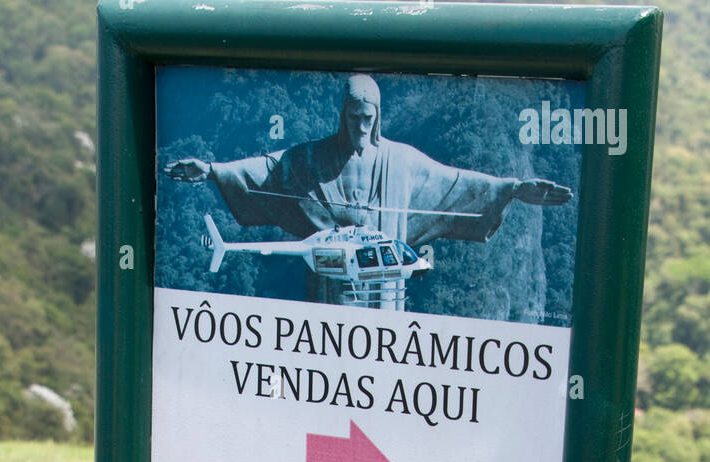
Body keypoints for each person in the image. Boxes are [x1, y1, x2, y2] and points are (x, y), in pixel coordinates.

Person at [166, 74, 571, 303]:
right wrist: (214, 171)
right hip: (328, 286)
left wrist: (513, 188)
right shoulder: (311, 158)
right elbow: (268, 168)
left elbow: (455, 183)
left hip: (386, 292)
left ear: (377, 119)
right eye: (354, 117)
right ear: (343, 115)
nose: (360, 126)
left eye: (368, 119)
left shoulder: (402, 161)